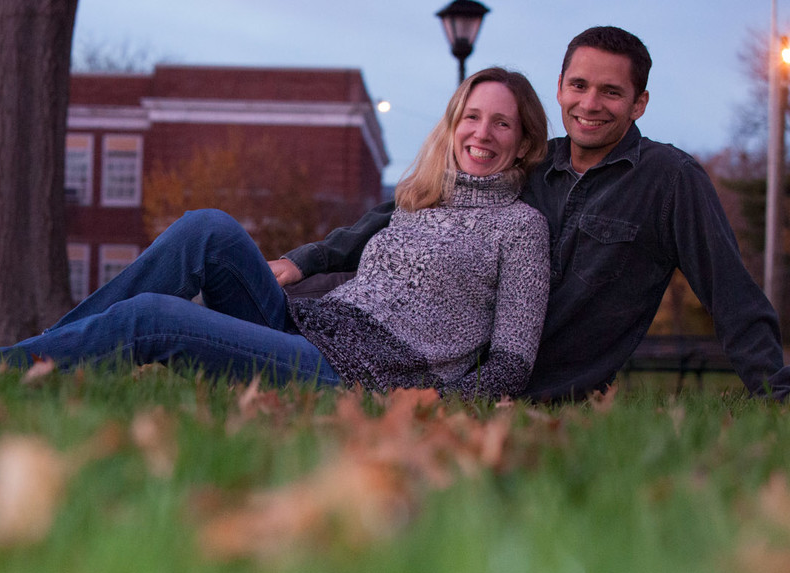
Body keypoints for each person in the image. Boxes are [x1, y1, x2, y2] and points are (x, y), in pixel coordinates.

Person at [0, 67, 551, 399]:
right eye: (471, 116)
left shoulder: (520, 231)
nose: (482, 133)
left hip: (360, 379)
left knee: (153, 318)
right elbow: (344, 257)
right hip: (316, 330)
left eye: (501, 123)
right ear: (453, 125)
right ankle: (34, 364)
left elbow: (514, 361)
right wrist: (297, 272)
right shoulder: (415, 202)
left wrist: (428, 408)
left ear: (522, 144)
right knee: (207, 228)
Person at [278, 26, 790, 401]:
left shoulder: (670, 180)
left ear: (639, 103)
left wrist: (774, 394)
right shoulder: (532, 162)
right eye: (579, 86)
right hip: (454, 373)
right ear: (561, 87)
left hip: (548, 393)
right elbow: (409, 207)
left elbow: (731, 292)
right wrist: (311, 259)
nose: (590, 103)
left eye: (612, 91)